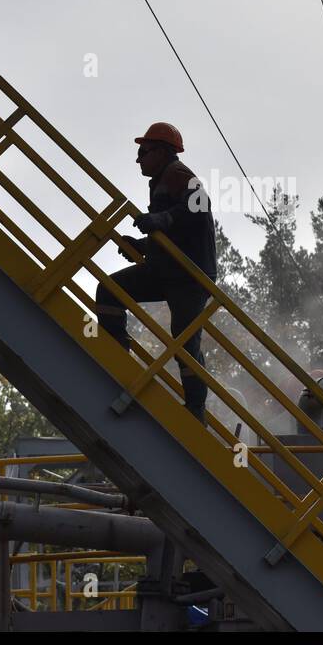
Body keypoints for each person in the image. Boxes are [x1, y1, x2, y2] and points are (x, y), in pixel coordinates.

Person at [94, 122, 217, 422]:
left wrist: (161, 218)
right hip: (167, 270)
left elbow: (200, 207)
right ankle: (118, 356)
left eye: (143, 152)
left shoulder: (178, 174)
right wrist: (144, 244)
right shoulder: (160, 180)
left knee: (185, 343)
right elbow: (175, 233)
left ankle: (196, 412)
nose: (138, 159)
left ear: (162, 152)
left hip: (190, 276)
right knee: (110, 289)